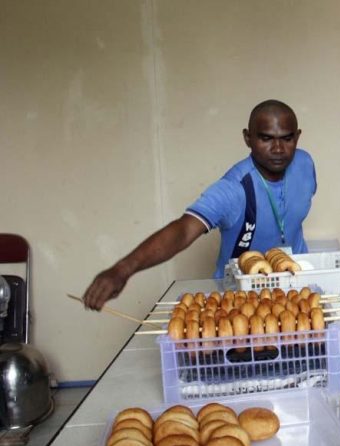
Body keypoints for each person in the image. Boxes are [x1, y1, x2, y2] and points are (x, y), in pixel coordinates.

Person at [83, 99, 316, 310]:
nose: (278, 149)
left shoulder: (304, 164)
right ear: (248, 138)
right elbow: (183, 230)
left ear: (297, 137)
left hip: (296, 292)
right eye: (266, 138)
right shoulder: (234, 188)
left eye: (286, 138)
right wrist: (122, 270)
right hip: (240, 302)